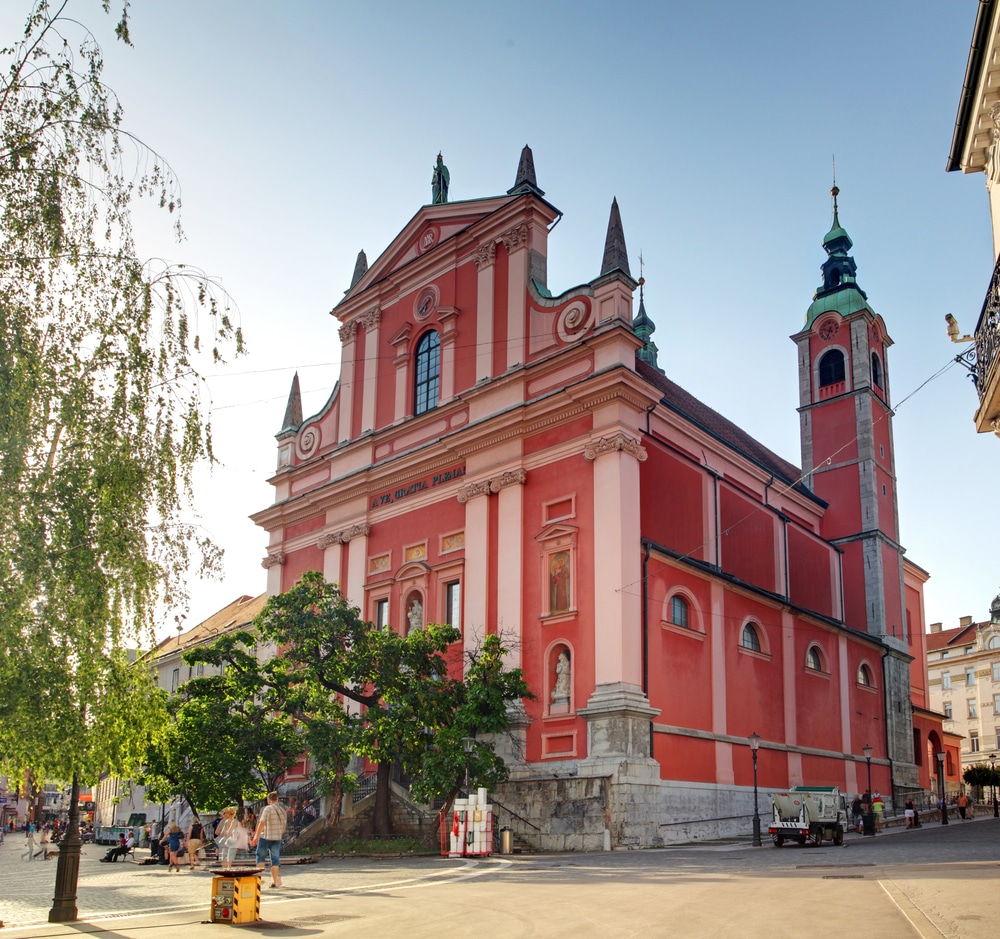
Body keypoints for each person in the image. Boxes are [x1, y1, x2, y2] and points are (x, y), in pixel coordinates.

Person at [251, 791, 287, 889]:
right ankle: (275, 881)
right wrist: (280, 833)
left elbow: (261, 823)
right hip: (277, 838)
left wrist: (256, 836)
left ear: (268, 799)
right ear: (277, 799)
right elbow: (284, 825)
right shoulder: (282, 810)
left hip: (265, 837)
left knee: (260, 857)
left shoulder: (268, 809)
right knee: (275, 859)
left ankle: (259, 880)